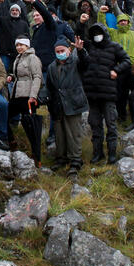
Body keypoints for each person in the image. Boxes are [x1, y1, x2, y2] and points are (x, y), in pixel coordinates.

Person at [83, 23, 131, 164]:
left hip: (108, 93)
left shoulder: (114, 46)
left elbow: (127, 60)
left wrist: (116, 70)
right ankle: (97, 154)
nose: (97, 36)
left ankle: (112, 155)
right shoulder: (89, 47)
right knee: (95, 125)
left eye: (99, 32)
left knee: (111, 124)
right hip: (92, 94)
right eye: (94, 33)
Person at [45, 37, 89, 176]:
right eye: (57, 51)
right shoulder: (52, 66)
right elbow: (49, 86)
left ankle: (75, 160)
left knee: (73, 134)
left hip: (73, 103)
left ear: (69, 50)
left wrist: (81, 50)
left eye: (62, 50)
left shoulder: (76, 62)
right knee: (59, 134)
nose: (59, 53)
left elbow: (86, 63)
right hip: (58, 105)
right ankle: (61, 159)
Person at [7, 37, 43, 164]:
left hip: (28, 97)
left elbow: (37, 77)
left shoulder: (33, 58)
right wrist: (11, 77)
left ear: (27, 46)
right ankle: (11, 141)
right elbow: (19, 75)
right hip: (17, 95)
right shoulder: (18, 58)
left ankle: (36, 155)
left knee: (30, 126)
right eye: (17, 45)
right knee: (4, 114)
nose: (19, 47)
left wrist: (33, 96)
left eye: (22, 45)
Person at [107, 13, 134, 122]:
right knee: (120, 95)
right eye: (120, 21)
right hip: (119, 67)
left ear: (128, 22)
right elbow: (102, 25)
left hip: (132, 67)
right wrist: (101, 13)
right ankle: (121, 119)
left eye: (125, 20)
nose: (123, 22)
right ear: (117, 23)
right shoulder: (113, 33)